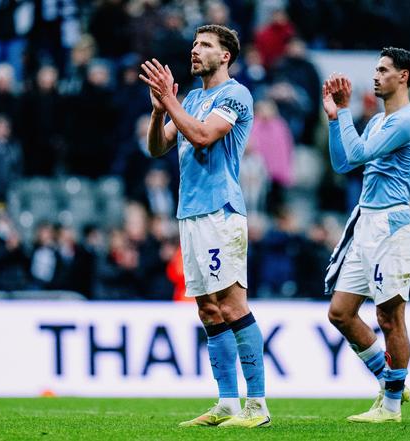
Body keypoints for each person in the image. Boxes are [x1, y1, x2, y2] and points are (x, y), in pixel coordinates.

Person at [139, 24, 270, 428]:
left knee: (232, 305)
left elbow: (201, 135)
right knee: (208, 309)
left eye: (206, 45)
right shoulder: (193, 98)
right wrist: (160, 110)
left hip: (220, 211)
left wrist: (170, 99)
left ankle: (258, 406)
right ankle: (227, 402)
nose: (195, 50)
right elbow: (157, 147)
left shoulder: (235, 94)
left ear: (225, 56)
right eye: (195, 44)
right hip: (190, 212)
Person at [322, 47, 410, 423]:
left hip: (391, 226)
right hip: (366, 221)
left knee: (389, 316)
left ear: (403, 76)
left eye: (383, 70)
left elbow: (358, 153)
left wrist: (345, 110)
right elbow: (343, 162)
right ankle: (389, 379)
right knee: (340, 313)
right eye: (376, 69)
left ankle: (391, 406)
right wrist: (335, 119)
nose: (376, 76)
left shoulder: (408, 121)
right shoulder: (380, 120)